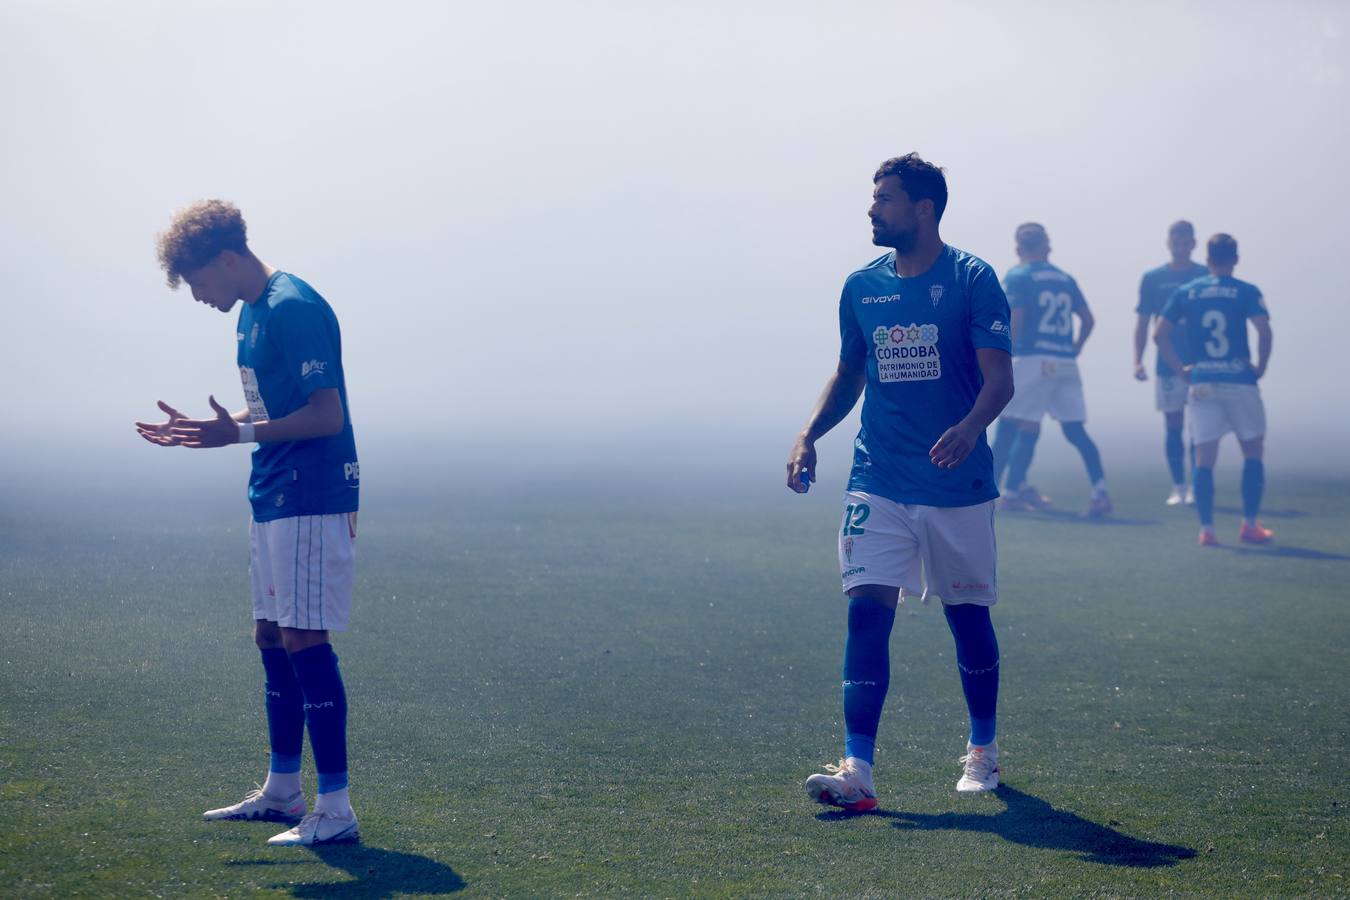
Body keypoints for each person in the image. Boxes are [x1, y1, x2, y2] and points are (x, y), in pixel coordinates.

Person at [786, 154, 1015, 810]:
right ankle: (858, 771)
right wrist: (808, 436)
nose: (871, 209)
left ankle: (983, 750)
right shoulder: (861, 287)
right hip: (877, 477)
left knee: (967, 619)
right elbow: (849, 374)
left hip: (955, 483)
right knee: (865, 612)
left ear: (924, 209)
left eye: (884, 198)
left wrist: (970, 427)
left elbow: (1000, 379)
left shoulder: (972, 279)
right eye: (873, 197)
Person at [136, 200, 361, 846]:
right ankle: (284, 791)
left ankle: (337, 808)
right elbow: (272, 410)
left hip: (312, 494)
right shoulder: (254, 316)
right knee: (270, 636)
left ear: (227, 260)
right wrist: (221, 429)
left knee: (304, 640)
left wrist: (234, 436)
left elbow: (327, 416)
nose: (200, 297)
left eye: (200, 282)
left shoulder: (293, 307)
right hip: (273, 494)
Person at [1154, 233, 1273, 546]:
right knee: (1253, 451)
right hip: (1239, 381)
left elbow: (1159, 334)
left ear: (1207, 260)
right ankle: (1249, 525)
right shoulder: (1246, 291)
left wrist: (1181, 369)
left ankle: (1207, 529)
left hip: (1203, 382)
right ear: (1235, 259)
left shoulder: (1187, 291)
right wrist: (1261, 366)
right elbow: (1263, 329)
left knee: (1204, 457)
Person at [989, 223, 1111, 518]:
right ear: (1047, 246)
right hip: (1065, 361)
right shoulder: (1064, 278)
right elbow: (1089, 320)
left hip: (1032, 359)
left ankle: (999, 491)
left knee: (1010, 424)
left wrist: (1005, 352)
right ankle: (1100, 491)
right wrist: (1076, 346)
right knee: (1073, 430)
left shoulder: (1018, 276)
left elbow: (1015, 319)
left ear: (1018, 249)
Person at [1134, 221, 1209, 505]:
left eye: (1185, 241)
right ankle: (1179, 485)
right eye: (1175, 241)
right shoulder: (1153, 278)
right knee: (1174, 425)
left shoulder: (1204, 274)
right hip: (1168, 363)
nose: (1180, 246)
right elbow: (1142, 322)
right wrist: (1137, 360)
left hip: (1202, 365)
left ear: (1193, 243)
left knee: (1200, 427)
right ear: (1169, 243)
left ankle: (1198, 485)